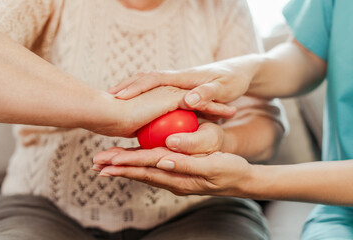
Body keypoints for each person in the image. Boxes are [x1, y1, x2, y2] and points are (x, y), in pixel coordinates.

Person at [0, 0, 286, 239]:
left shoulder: (225, 8)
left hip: (200, 210)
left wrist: (223, 140)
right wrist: (108, 112)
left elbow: (262, 122)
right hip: (43, 207)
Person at [97, 0, 353, 239]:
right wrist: (242, 71)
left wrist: (248, 178)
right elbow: (308, 55)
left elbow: (263, 123)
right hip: (340, 212)